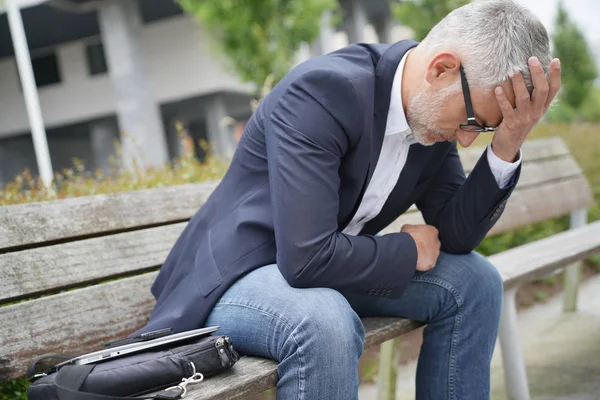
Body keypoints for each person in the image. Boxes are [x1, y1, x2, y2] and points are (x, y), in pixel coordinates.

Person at [136, 0, 561, 398]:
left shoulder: (433, 117)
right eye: (473, 122)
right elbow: (305, 259)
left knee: (475, 282)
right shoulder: (322, 93)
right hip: (238, 276)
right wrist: (407, 248)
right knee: (323, 321)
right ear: (441, 68)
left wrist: (507, 142)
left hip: (321, 274)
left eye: (481, 129)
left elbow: (455, 237)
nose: (468, 140)